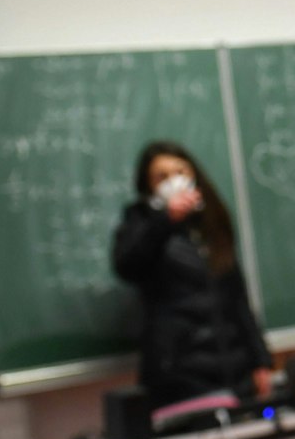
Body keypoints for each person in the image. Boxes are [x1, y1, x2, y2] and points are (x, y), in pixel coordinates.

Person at [112, 140, 273, 411]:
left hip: (234, 368)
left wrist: (261, 361)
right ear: (148, 186)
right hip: (179, 375)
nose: (174, 181)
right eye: (162, 176)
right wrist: (165, 220)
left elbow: (237, 298)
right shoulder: (140, 222)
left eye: (180, 172)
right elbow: (127, 265)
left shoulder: (211, 222)